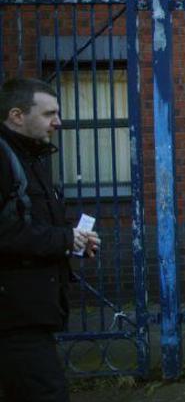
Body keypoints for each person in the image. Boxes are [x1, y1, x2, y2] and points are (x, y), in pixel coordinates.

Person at [0, 78, 100, 402]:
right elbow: (6, 231)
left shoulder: (31, 156)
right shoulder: (5, 159)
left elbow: (33, 220)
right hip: (14, 313)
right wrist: (64, 239)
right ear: (17, 115)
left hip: (31, 307)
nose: (58, 121)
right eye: (49, 114)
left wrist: (75, 240)